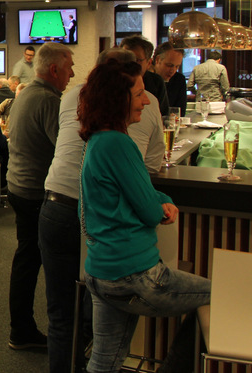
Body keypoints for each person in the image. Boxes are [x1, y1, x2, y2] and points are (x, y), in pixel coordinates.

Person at [78, 60, 210, 373]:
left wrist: (159, 199)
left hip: (101, 271)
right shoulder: (119, 143)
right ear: (118, 99)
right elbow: (150, 210)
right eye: (139, 94)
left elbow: (139, 194)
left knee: (104, 362)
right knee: (216, 296)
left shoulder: (98, 141)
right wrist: (160, 203)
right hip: (134, 274)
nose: (147, 100)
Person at [39, 47, 164, 373]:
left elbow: (64, 146)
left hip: (57, 205)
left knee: (61, 312)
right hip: (105, 218)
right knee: (102, 310)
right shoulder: (144, 103)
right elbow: (151, 168)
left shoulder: (71, 97)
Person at [6, 42, 74, 351]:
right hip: (35, 191)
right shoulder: (48, 100)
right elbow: (65, 148)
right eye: (70, 67)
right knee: (36, 262)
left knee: (26, 259)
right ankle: (23, 330)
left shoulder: (26, 93)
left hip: (18, 185)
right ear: (55, 69)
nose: (72, 74)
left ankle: (21, 328)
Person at [120, 35, 170, 116]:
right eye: (126, 59)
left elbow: (163, 115)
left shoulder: (156, 82)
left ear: (149, 63)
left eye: (137, 60)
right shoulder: (113, 82)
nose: (130, 63)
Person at [153, 42, 187, 116]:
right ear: (158, 60)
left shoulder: (179, 80)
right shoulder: (145, 79)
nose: (173, 71)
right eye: (169, 65)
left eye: (177, 66)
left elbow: (180, 113)